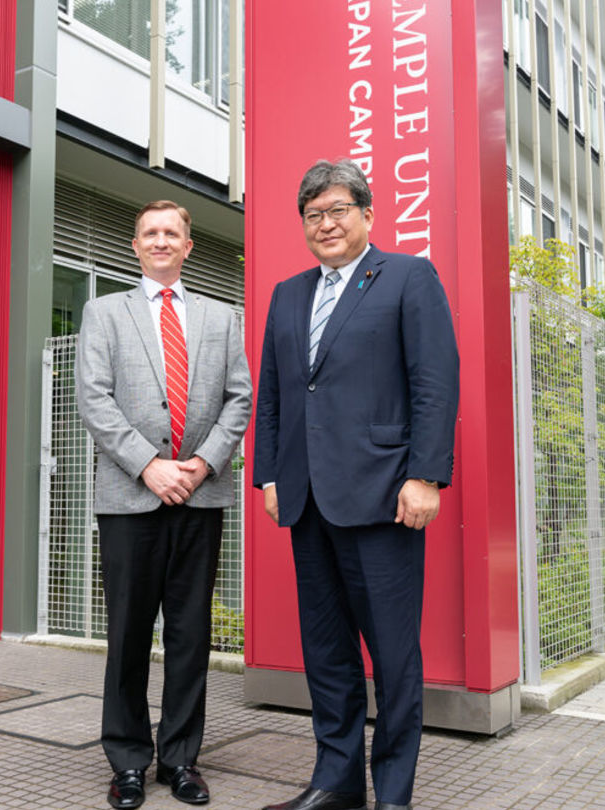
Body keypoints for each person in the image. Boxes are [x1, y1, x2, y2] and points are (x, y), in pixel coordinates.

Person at [252, 159, 459, 810]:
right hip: (307, 498)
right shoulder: (287, 294)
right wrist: (269, 473)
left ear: (368, 214)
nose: (326, 223)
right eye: (313, 214)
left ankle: (393, 793)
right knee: (327, 650)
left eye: (338, 209)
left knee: (393, 657)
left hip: (382, 496)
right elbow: (275, 395)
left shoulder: (406, 276)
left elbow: (435, 382)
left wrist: (425, 475)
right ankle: (336, 783)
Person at [76, 200, 252, 809]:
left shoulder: (222, 318)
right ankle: (127, 760)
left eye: (171, 233)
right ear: (134, 244)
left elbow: (239, 400)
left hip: (201, 497)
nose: (160, 241)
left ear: (188, 245)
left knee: (190, 634)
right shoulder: (103, 313)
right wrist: (150, 466)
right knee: (127, 634)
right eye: (150, 232)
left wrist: (200, 465)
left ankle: (180, 759)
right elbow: (94, 399)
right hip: (130, 498)